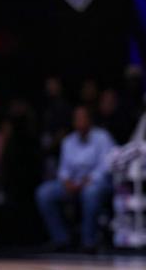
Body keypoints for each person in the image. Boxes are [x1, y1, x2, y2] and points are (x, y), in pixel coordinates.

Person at [35, 105, 115, 249]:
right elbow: (64, 170)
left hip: (96, 183)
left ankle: (88, 241)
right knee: (44, 193)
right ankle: (61, 239)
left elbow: (107, 165)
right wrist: (66, 182)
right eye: (77, 119)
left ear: (90, 120)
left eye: (83, 118)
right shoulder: (68, 141)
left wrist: (89, 179)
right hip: (73, 184)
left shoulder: (102, 137)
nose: (80, 122)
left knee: (91, 192)